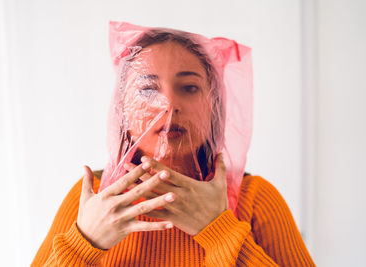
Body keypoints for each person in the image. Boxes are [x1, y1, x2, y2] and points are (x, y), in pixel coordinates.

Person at [32, 21, 315, 266]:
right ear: (123, 109)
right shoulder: (92, 200)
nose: (169, 105)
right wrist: (84, 243)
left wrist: (219, 231)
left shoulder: (255, 200)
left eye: (189, 88)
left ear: (214, 105)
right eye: (148, 88)